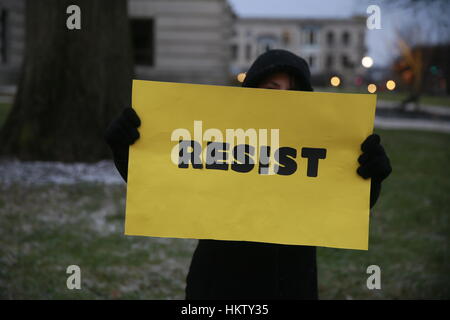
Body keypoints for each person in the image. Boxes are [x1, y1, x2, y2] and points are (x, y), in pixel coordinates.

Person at [105, 49, 392, 300]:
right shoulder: (218, 141)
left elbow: (345, 203)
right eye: (272, 88)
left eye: (293, 92)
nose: (282, 99)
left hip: (291, 285)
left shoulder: (318, 151)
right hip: (218, 286)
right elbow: (167, 184)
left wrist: (371, 176)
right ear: (252, 91)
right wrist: (128, 149)